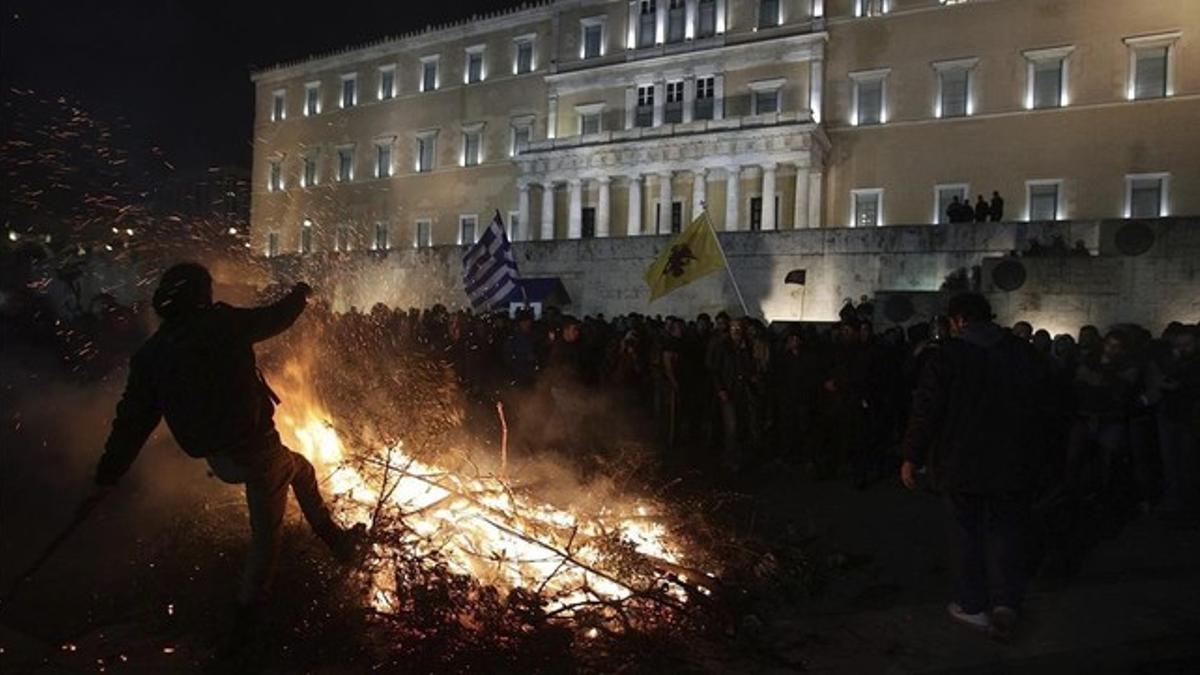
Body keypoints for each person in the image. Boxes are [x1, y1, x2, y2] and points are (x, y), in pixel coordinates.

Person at [91, 263, 365, 652]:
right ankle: (246, 626)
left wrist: (107, 475)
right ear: (200, 294)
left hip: (221, 458)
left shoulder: (152, 354)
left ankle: (335, 540)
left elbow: (131, 424)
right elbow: (274, 318)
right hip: (257, 451)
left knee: (301, 468)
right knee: (266, 541)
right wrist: (300, 294)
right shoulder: (220, 323)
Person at [900, 293, 1047, 640]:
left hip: (960, 463)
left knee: (966, 535)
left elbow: (927, 410)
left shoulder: (947, 356)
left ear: (958, 320)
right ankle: (1005, 602)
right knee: (1006, 532)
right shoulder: (1021, 353)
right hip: (1011, 462)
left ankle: (972, 604)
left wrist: (912, 456)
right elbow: (1044, 407)